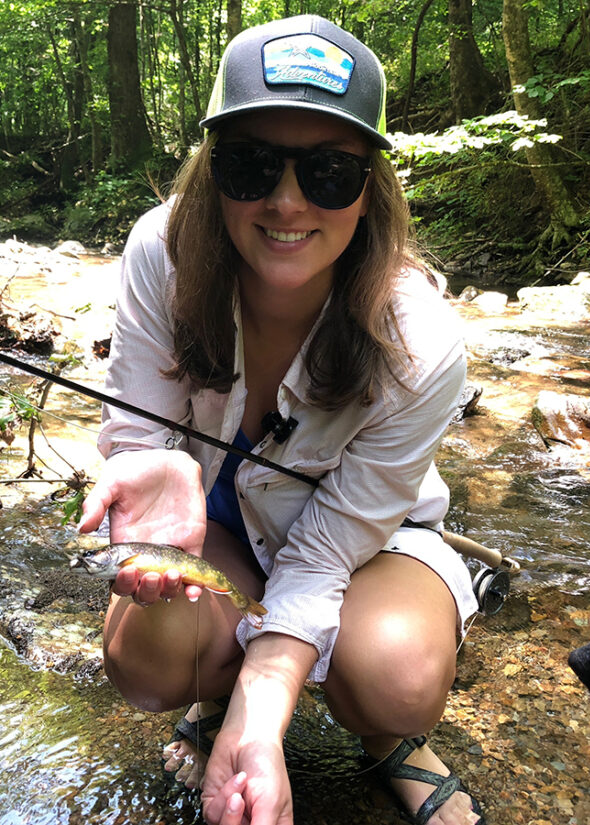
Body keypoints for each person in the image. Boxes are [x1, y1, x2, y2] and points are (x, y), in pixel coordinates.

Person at [77, 14, 485, 825]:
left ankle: (382, 737)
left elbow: (331, 548)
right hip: (219, 520)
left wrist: (258, 724)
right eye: (252, 164)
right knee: (148, 659)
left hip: (366, 542)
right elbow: (137, 437)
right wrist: (153, 502)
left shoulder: (424, 340)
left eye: (329, 172)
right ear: (210, 172)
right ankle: (213, 680)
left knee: (397, 677)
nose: (287, 200)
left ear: (370, 189)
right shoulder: (160, 253)